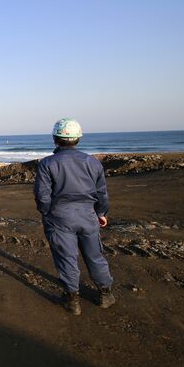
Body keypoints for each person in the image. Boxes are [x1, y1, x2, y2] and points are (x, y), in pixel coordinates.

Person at [34, 118, 115, 315]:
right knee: (95, 256)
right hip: (88, 215)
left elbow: (42, 195)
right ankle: (105, 294)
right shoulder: (92, 162)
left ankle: (72, 300)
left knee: (66, 257)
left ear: (55, 138)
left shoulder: (47, 163)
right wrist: (101, 213)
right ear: (78, 138)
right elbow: (101, 193)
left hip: (59, 216)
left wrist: (47, 212)